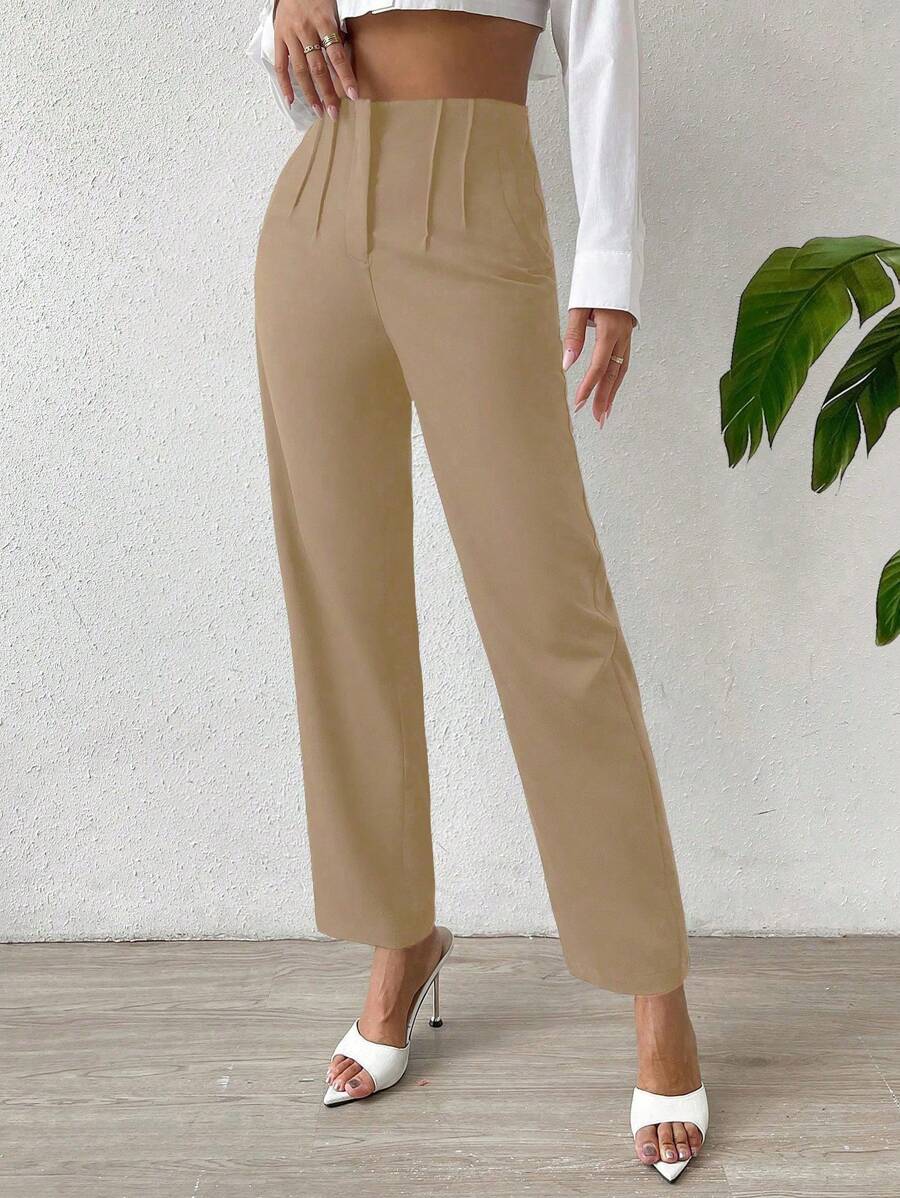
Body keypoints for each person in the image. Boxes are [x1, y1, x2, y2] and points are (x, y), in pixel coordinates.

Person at [249, 0, 708, 1180]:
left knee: (551, 614)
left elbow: (602, 40)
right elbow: (288, 56)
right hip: (316, 204)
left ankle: (656, 992)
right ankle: (397, 940)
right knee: (341, 604)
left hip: (476, 194)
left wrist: (610, 264)